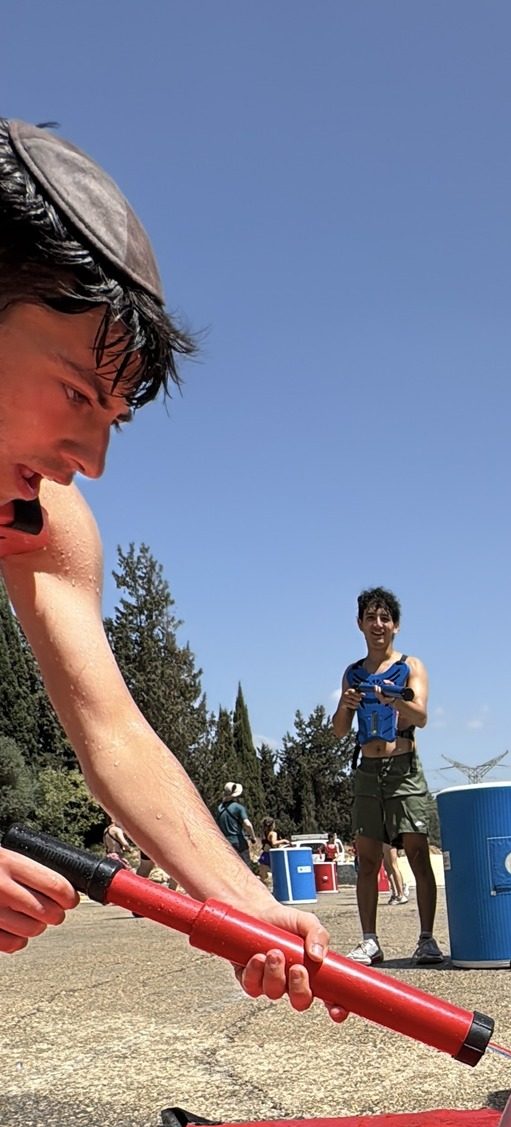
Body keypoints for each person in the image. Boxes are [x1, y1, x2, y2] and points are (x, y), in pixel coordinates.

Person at [0, 118, 333, 1011]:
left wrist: (243, 902)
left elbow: (111, 733)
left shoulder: (43, 519)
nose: (92, 460)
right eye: (75, 392)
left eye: (113, 416)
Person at [332, 586, 442, 964]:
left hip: (403, 768)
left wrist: (393, 699)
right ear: (359, 624)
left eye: (384, 618)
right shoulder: (352, 672)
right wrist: (346, 705)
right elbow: (339, 731)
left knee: (416, 852)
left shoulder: (412, 666)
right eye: (370, 618)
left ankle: (426, 938)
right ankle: (369, 940)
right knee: (366, 860)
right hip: (367, 770)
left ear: (395, 625)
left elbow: (422, 717)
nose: (377, 624)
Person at [215, 782, 258, 870]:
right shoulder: (238, 808)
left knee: (231, 869)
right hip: (239, 841)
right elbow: (247, 824)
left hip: (225, 842)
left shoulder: (219, 808)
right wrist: (253, 837)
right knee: (246, 868)